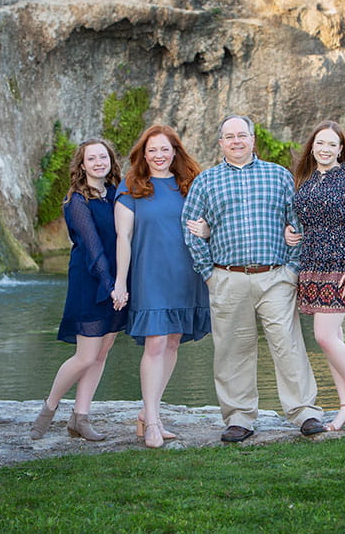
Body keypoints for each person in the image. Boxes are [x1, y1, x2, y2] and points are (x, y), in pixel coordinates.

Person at [181, 114, 324, 442]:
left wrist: (292, 269)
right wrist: (208, 274)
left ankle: (304, 411)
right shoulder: (206, 181)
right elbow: (190, 228)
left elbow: (298, 223)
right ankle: (240, 417)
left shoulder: (279, 176)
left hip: (275, 277)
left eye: (241, 135)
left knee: (287, 344)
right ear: (220, 143)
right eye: (228, 137)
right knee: (233, 349)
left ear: (252, 139)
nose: (236, 141)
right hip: (227, 278)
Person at [113, 125, 211, 448]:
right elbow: (123, 238)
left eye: (165, 149)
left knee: (172, 342)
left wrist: (207, 231)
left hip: (186, 274)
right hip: (149, 275)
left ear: (175, 152)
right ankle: (153, 421)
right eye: (152, 150)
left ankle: (148, 411)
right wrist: (120, 282)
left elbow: (207, 226)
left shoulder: (190, 185)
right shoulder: (131, 188)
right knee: (155, 344)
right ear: (143, 153)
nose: (158, 156)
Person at [285, 120, 345, 432]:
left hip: (341, 266)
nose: (325, 149)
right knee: (332, 340)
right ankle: (344, 408)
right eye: (320, 143)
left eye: (331, 145)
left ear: (341, 150)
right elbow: (303, 220)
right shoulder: (306, 180)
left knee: (324, 336)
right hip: (312, 265)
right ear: (312, 147)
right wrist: (292, 233)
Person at [30, 138, 128, 441]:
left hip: (118, 282)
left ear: (111, 160)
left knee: (102, 353)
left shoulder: (116, 193)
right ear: (82, 165)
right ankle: (48, 408)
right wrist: (110, 286)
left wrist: (122, 283)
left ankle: (80, 419)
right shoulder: (77, 201)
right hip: (91, 282)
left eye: (103, 157)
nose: (99, 163)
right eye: (92, 159)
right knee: (85, 356)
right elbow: (92, 247)